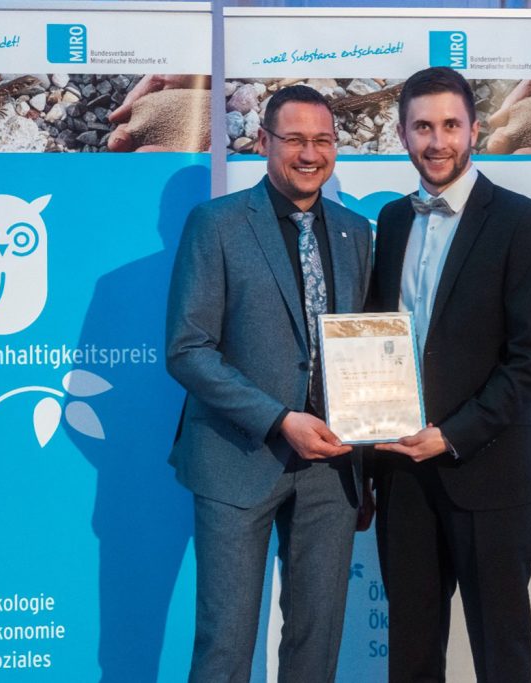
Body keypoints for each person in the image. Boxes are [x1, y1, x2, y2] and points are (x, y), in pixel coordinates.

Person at [166, 85, 372, 683]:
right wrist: (280, 419)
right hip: (238, 458)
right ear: (263, 142)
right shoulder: (216, 224)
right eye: (294, 139)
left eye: (323, 140)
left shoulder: (355, 232)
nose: (310, 154)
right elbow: (187, 349)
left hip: (332, 466)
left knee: (316, 644)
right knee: (225, 647)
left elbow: (362, 344)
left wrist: (370, 451)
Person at [367, 67, 531, 682]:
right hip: (402, 475)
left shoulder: (521, 221)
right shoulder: (391, 221)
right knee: (412, 656)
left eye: (450, 125)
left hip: (489, 473)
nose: (437, 141)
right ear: (402, 134)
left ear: (474, 130)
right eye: (423, 127)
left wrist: (451, 435)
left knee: (501, 657)